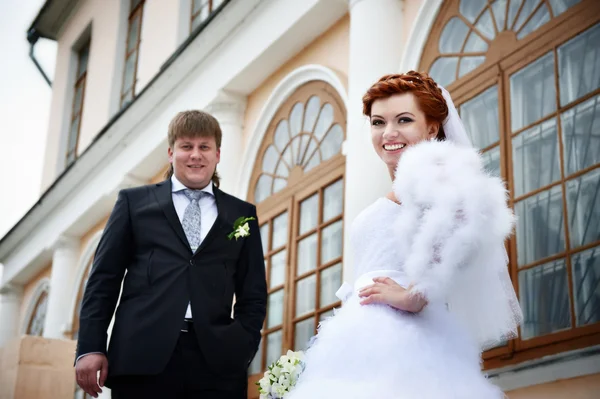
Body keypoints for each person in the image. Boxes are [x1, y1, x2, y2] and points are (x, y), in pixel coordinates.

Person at [285, 72, 523, 399]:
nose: (389, 133)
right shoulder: (405, 188)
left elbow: (469, 222)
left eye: (404, 120)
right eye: (378, 122)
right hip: (361, 340)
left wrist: (415, 296)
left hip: (405, 343)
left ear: (431, 127)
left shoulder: (438, 177)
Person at [75, 110, 267, 399]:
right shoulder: (133, 203)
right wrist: (90, 346)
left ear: (217, 154)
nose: (195, 155)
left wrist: (243, 346)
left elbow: (253, 293)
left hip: (217, 366)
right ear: (170, 152)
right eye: (186, 147)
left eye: (204, 147)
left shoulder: (242, 215)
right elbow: (104, 279)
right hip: (141, 358)